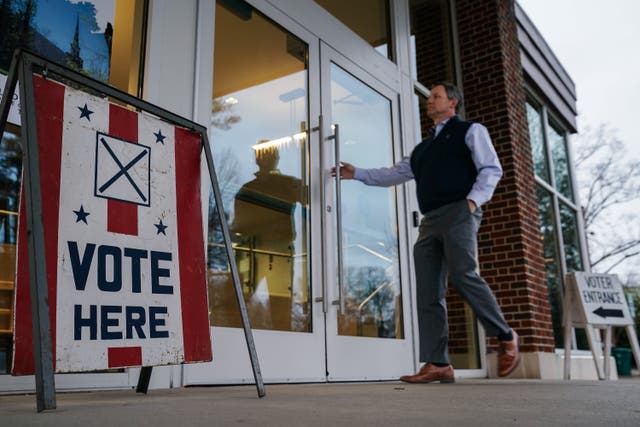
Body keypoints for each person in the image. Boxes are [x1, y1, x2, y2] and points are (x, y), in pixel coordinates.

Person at [333, 82, 520, 383]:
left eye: (436, 97)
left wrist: (473, 201)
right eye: (429, 98)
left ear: (453, 102)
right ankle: (437, 363)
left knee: (463, 274)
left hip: (460, 210)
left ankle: (506, 336)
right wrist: (357, 174)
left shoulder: (470, 131)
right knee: (428, 292)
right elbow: (394, 173)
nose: (429, 101)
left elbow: (491, 169)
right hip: (430, 220)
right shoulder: (422, 150)